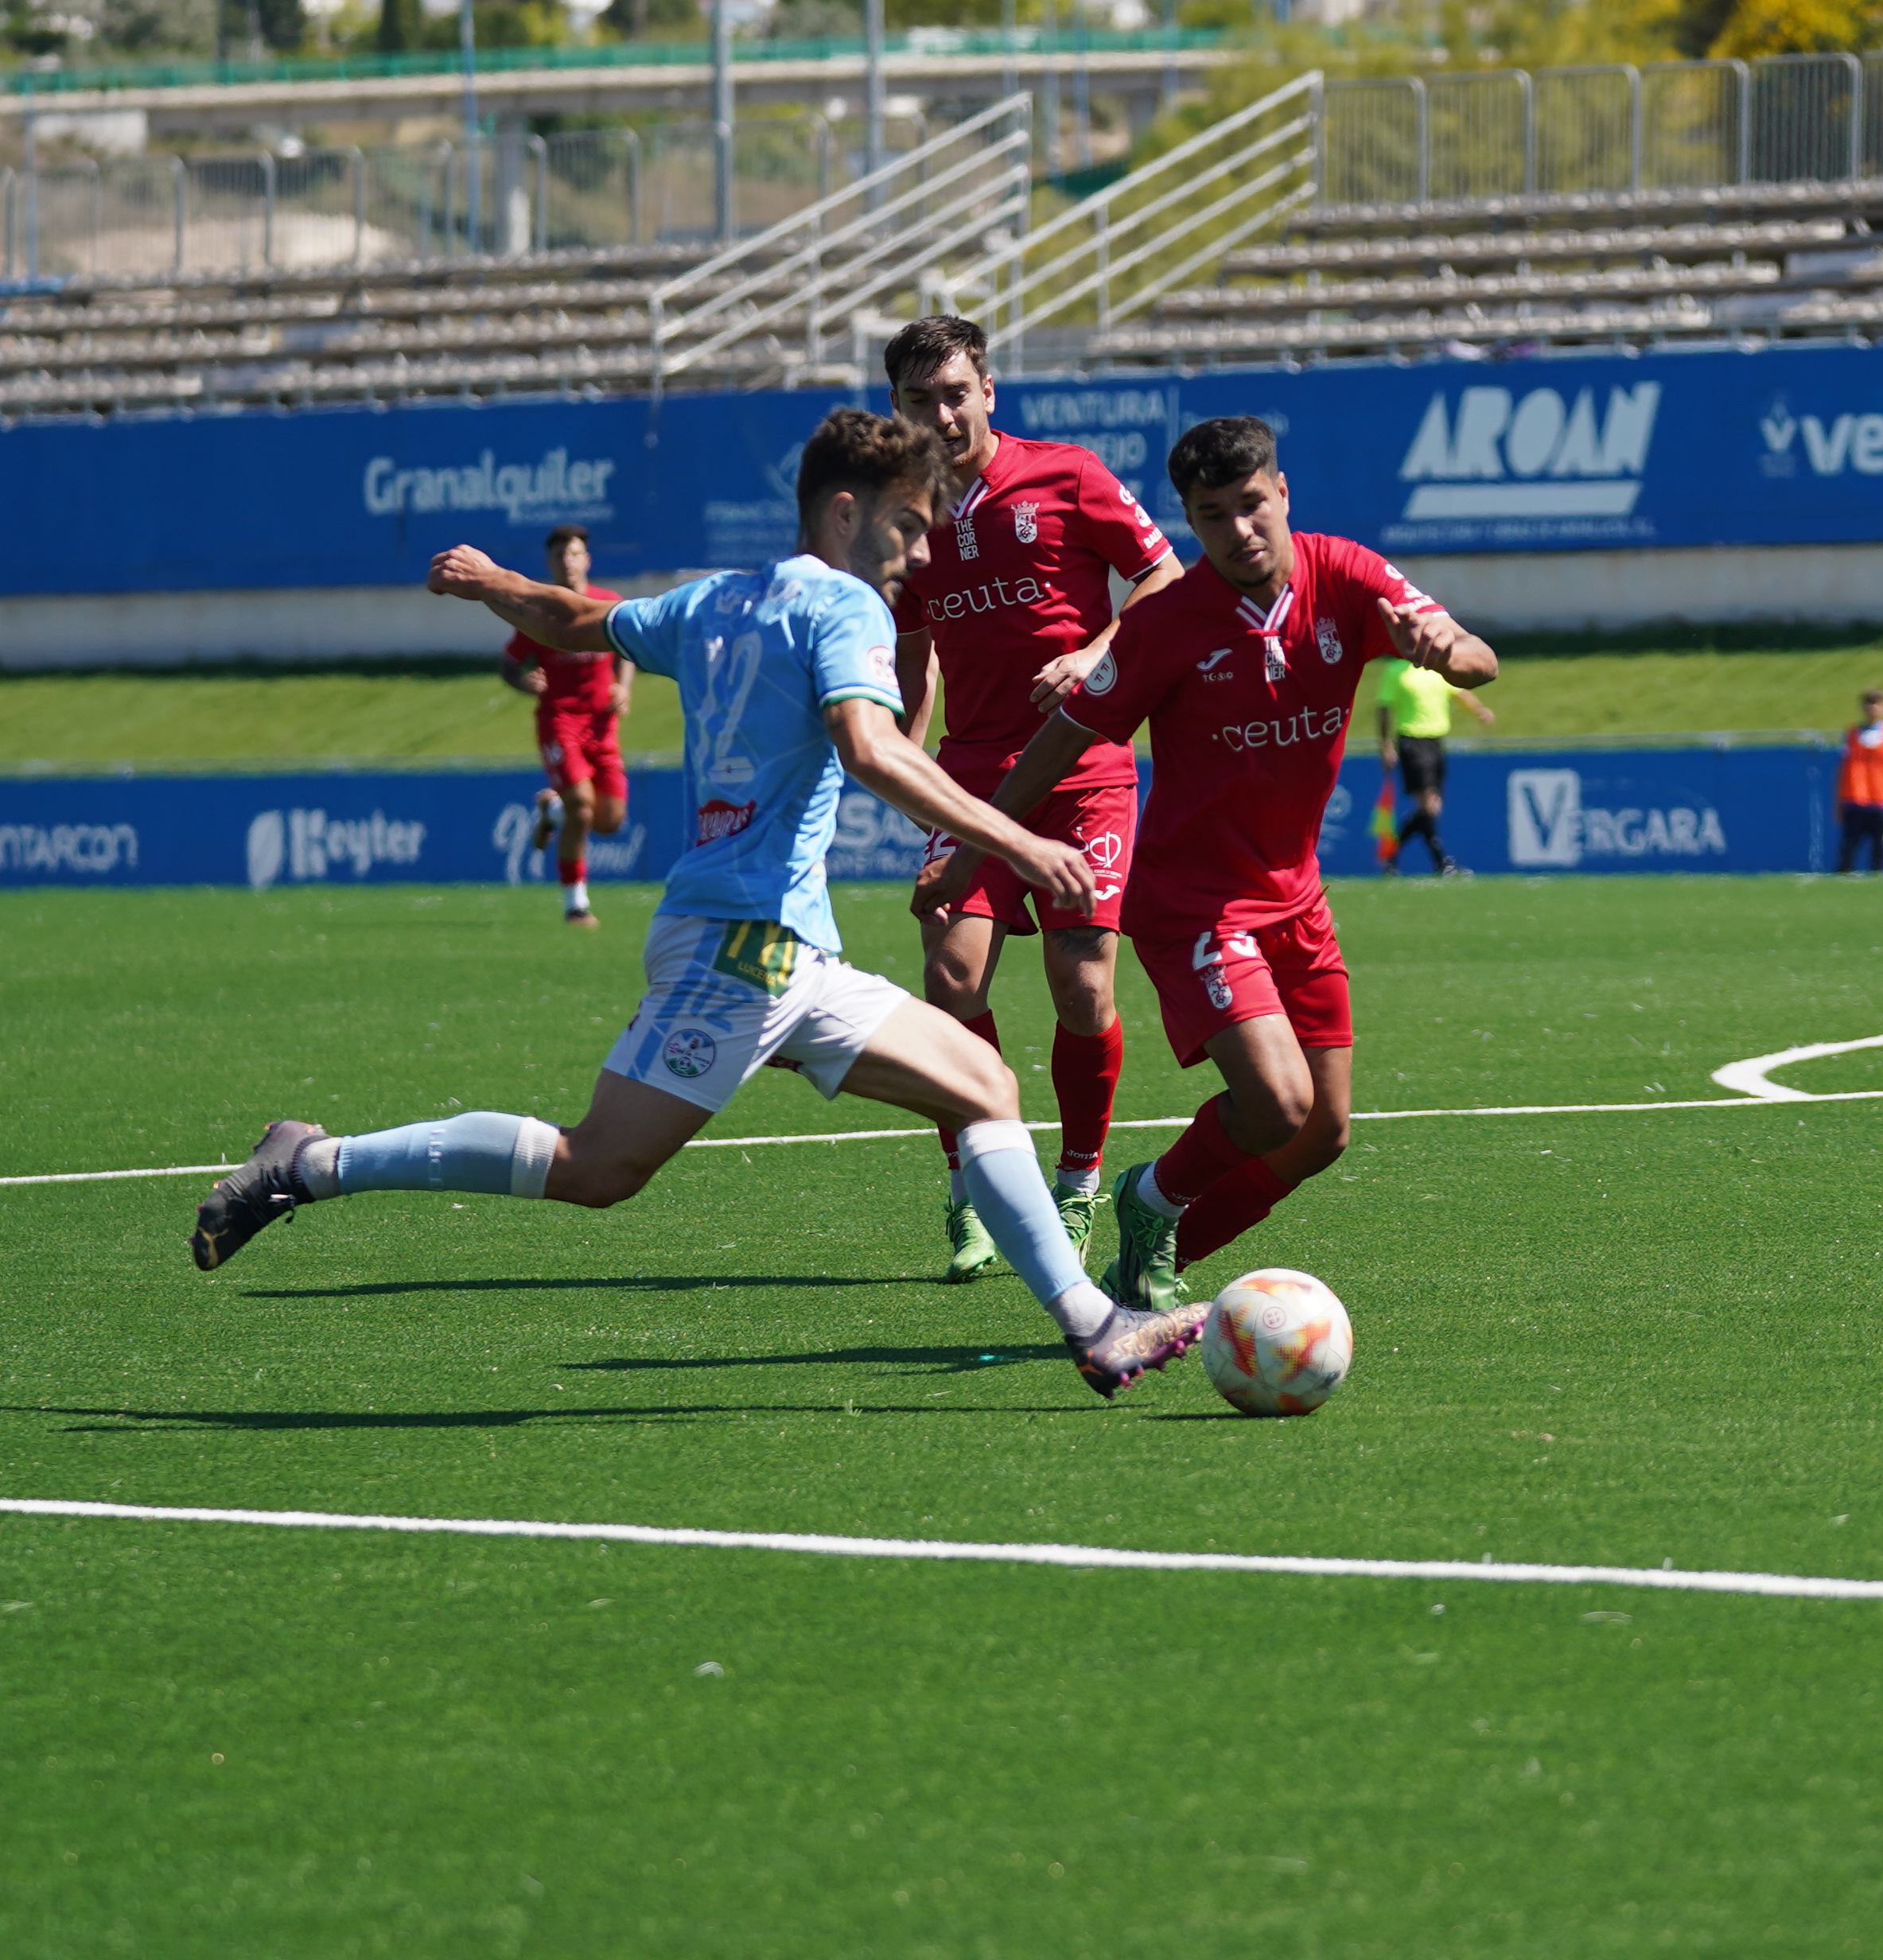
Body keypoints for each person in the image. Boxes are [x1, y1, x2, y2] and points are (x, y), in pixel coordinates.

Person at [189, 409, 1208, 1398]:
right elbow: (873, 750)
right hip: (743, 947)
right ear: (843, 512)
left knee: (983, 1081)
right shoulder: (843, 604)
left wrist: (492, 579)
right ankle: (311, 1164)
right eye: (905, 526)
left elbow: (577, 622)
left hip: (779, 950)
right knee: (596, 1165)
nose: (917, 552)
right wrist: (1022, 841)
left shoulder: (713, 600)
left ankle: (1093, 1326)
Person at [919, 415, 1499, 1311]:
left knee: (1322, 1132)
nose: (1239, 529)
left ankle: (1147, 1268)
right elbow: (1061, 741)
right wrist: (973, 851)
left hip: (1296, 897)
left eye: (1252, 504)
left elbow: (1476, 655)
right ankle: (1147, 1196)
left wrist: (1448, 653)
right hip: (1194, 905)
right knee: (1272, 1101)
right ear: (1190, 520)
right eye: (1212, 513)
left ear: (1284, 494)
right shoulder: (1168, 624)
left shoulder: (1344, 574)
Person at [885, 314, 1185, 1284]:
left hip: (1084, 765)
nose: (943, 412)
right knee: (950, 980)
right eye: (922, 399)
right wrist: (905, 755)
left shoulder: (1069, 474)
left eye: (957, 392)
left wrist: (1096, 656)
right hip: (971, 773)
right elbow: (912, 650)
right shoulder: (908, 514)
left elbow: (1163, 577)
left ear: (989, 391)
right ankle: (974, 1186)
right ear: (900, 409)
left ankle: (1078, 1180)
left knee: (1083, 983)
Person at [500, 522, 632, 927]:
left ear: (586, 560)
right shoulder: (541, 611)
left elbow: (628, 646)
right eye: (560, 556)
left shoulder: (607, 604)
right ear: (550, 563)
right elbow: (508, 663)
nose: (567, 562)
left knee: (610, 820)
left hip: (601, 725)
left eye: (574, 554)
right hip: (560, 722)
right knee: (583, 807)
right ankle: (576, 905)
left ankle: (551, 812)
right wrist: (525, 682)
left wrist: (623, 686)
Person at [1375, 655, 1492, 875]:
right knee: (1428, 804)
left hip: (1436, 742)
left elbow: (1459, 691)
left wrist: (1479, 710)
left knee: (1432, 808)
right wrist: (1385, 745)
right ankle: (1441, 862)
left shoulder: (1436, 669)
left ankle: (1390, 855)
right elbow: (1384, 708)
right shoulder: (1396, 671)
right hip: (1412, 740)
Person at [1835, 690, 1883, 873]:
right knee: (1848, 852)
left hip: (1882, 802)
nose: (1872, 708)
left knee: (1879, 855)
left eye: (1877, 703)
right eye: (1868, 703)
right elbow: (1842, 770)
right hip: (1855, 800)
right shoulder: (1852, 734)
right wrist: (1838, 802)